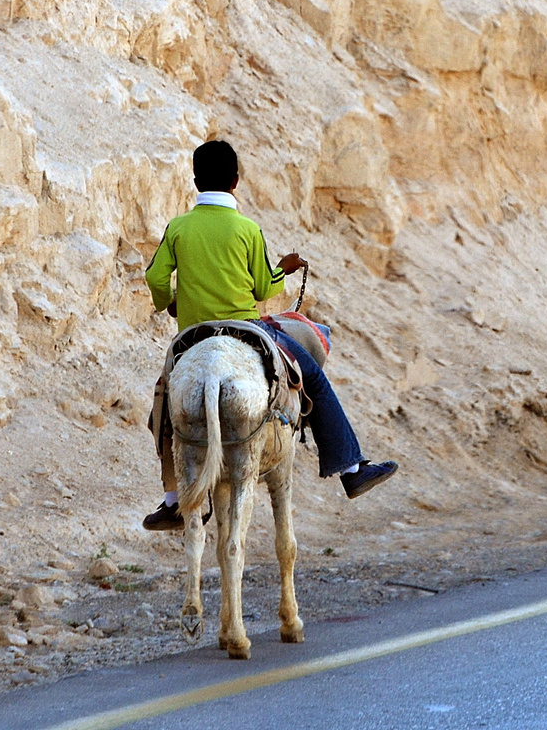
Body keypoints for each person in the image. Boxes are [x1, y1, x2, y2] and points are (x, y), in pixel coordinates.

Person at [141, 140, 398, 530]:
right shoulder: (247, 229)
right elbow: (264, 289)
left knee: (164, 402)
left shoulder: (178, 228)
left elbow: (155, 277)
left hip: (193, 336)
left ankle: (175, 498)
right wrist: (284, 267)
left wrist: (172, 301)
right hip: (247, 329)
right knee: (310, 373)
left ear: (195, 181)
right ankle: (350, 466)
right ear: (236, 181)